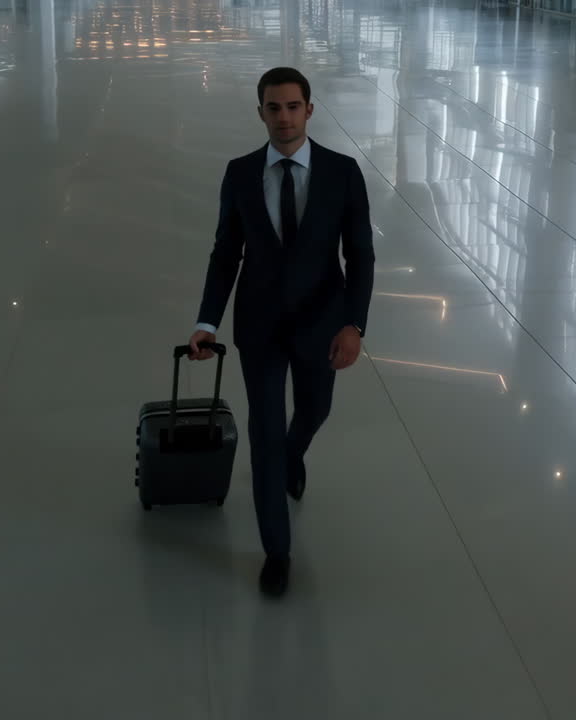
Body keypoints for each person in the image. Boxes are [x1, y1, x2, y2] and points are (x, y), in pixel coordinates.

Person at [188, 67, 374, 597]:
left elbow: (360, 255)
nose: (285, 118)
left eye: (294, 107)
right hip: (261, 326)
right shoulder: (241, 173)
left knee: (315, 410)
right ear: (261, 113)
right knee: (264, 434)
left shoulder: (342, 172)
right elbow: (226, 254)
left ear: (309, 110)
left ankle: (296, 451)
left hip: (322, 325)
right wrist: (207, 322)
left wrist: (354, 324)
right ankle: (277, 551)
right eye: (274, 108)